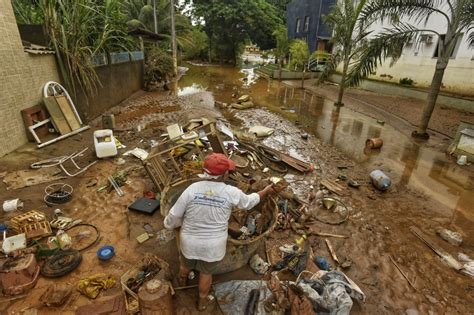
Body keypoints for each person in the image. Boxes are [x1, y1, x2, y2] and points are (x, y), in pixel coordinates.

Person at [164, 153, 274, 311]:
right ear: (224, 174)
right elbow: (249, 202)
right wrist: (265, 191)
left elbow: (174, 215)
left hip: (189, 242)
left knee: (185, 263)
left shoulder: (192, 189)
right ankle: (202, 302)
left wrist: (169, 224)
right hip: (213, 246)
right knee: (205, 272)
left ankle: (181, 280)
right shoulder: (230, 192)